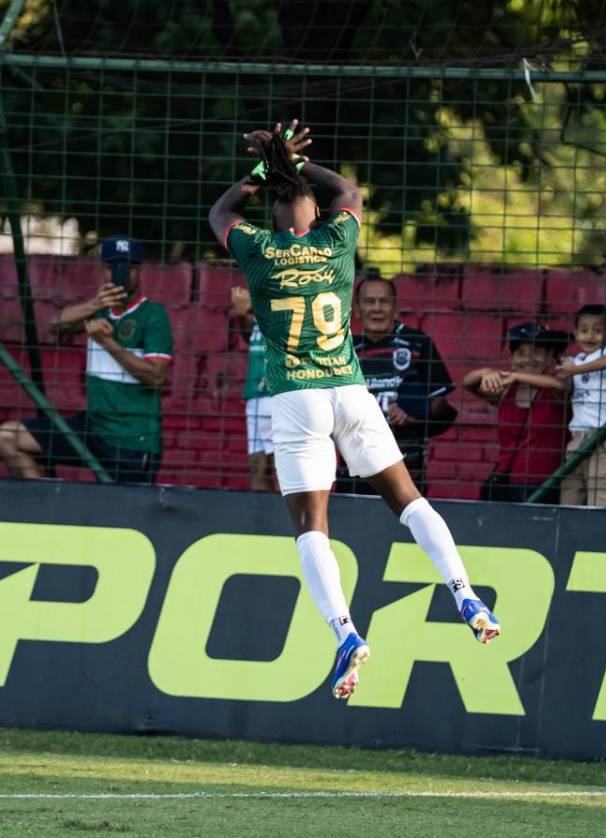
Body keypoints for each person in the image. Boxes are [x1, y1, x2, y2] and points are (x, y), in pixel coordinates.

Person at [208, 120, 499, 702]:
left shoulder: (259, 252)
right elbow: (349, 192)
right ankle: (464, 591)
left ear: (274, 218)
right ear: (315, 216)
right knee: (409, 500)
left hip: (296, 400)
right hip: (351, 391)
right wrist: (295, 161)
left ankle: (344, 633)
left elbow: (220, 212)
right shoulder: (337, 244)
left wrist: (267, 168)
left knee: (311, 524)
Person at [0, 236, 172, 483]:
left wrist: (108, 343)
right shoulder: (98, 308)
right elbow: (56, 324)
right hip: (93, 426)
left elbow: (157, 376)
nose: (119, 274)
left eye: (128, 268)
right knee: (8, 436)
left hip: (132, 437)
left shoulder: (153, 314)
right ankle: (44, 511)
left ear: (140, 271)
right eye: (112, 267)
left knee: (119, 513)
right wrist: (96, 303)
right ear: (103, 270)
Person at [335, 274, 456, 494]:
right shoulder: (343, 350)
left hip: (407, 468)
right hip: (354, 468)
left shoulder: (419, 343)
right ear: (358, 309)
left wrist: (413, 417)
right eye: (369, 301)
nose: (377, 308)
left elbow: (442, 405)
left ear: (395, 307)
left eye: (385, 301)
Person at [463, 323, 568, 504]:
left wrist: (516, 376)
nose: (528, 359)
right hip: (508, 483)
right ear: (511, 358)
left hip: (547, 486)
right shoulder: (505, 391)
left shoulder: (554, 390)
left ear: (549, 357)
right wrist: (486, 372)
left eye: (536, 352)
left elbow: (560, 386)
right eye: (520, 353)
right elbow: (468, 383)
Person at [558, 304, 606, 507]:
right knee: (571, 492)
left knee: (602, 494)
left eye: (597, 331)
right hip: (577, 435)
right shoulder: (577, 359)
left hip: (602, 434)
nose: (589, 336)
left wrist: (575, 370)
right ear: (575, 333)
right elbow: (564, 381)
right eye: (584, 330)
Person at [230, 285, 277, 491]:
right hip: (255, 390)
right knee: (258, 465)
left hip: (278, 391)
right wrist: (242, 314)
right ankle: (261, 522)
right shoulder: (260, 282)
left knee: (280, 466)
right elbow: (250, 334)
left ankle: (284, 520)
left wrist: (254, 307)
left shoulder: (288, 284)